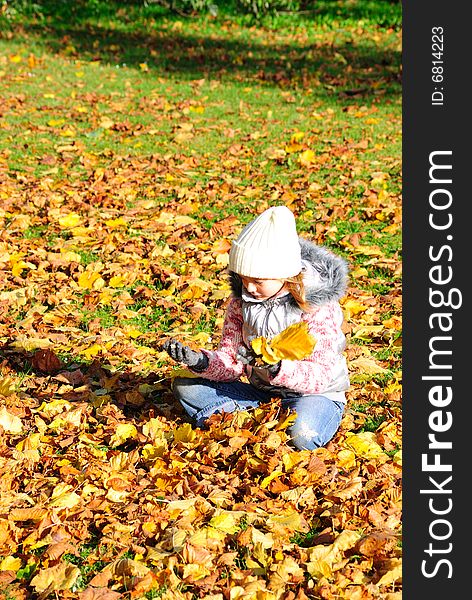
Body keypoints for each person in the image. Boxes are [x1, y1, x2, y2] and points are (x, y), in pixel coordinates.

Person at [162, 205, 350, 451]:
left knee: (303, 435)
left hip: (314, 395)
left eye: (258, 281)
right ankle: (259, 421)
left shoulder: (317, 307)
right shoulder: (241, 303)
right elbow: (231, 362)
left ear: (286, 275)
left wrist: (277, 368)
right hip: (261, 392)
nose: (249, 288)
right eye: (244, 278)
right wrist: (201, 361)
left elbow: (320, 376)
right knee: (187, 388)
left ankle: (267, 422)